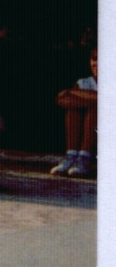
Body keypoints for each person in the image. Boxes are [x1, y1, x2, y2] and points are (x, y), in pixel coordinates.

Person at [52, 48, 97, 178]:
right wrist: (94, 98)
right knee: (73, 109)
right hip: (88, 127)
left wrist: (72, 92)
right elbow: (62, 99)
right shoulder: (85, 82)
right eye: (94, 59)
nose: (96, 63)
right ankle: (72, 155)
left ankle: (85, 157)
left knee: (96, 109)